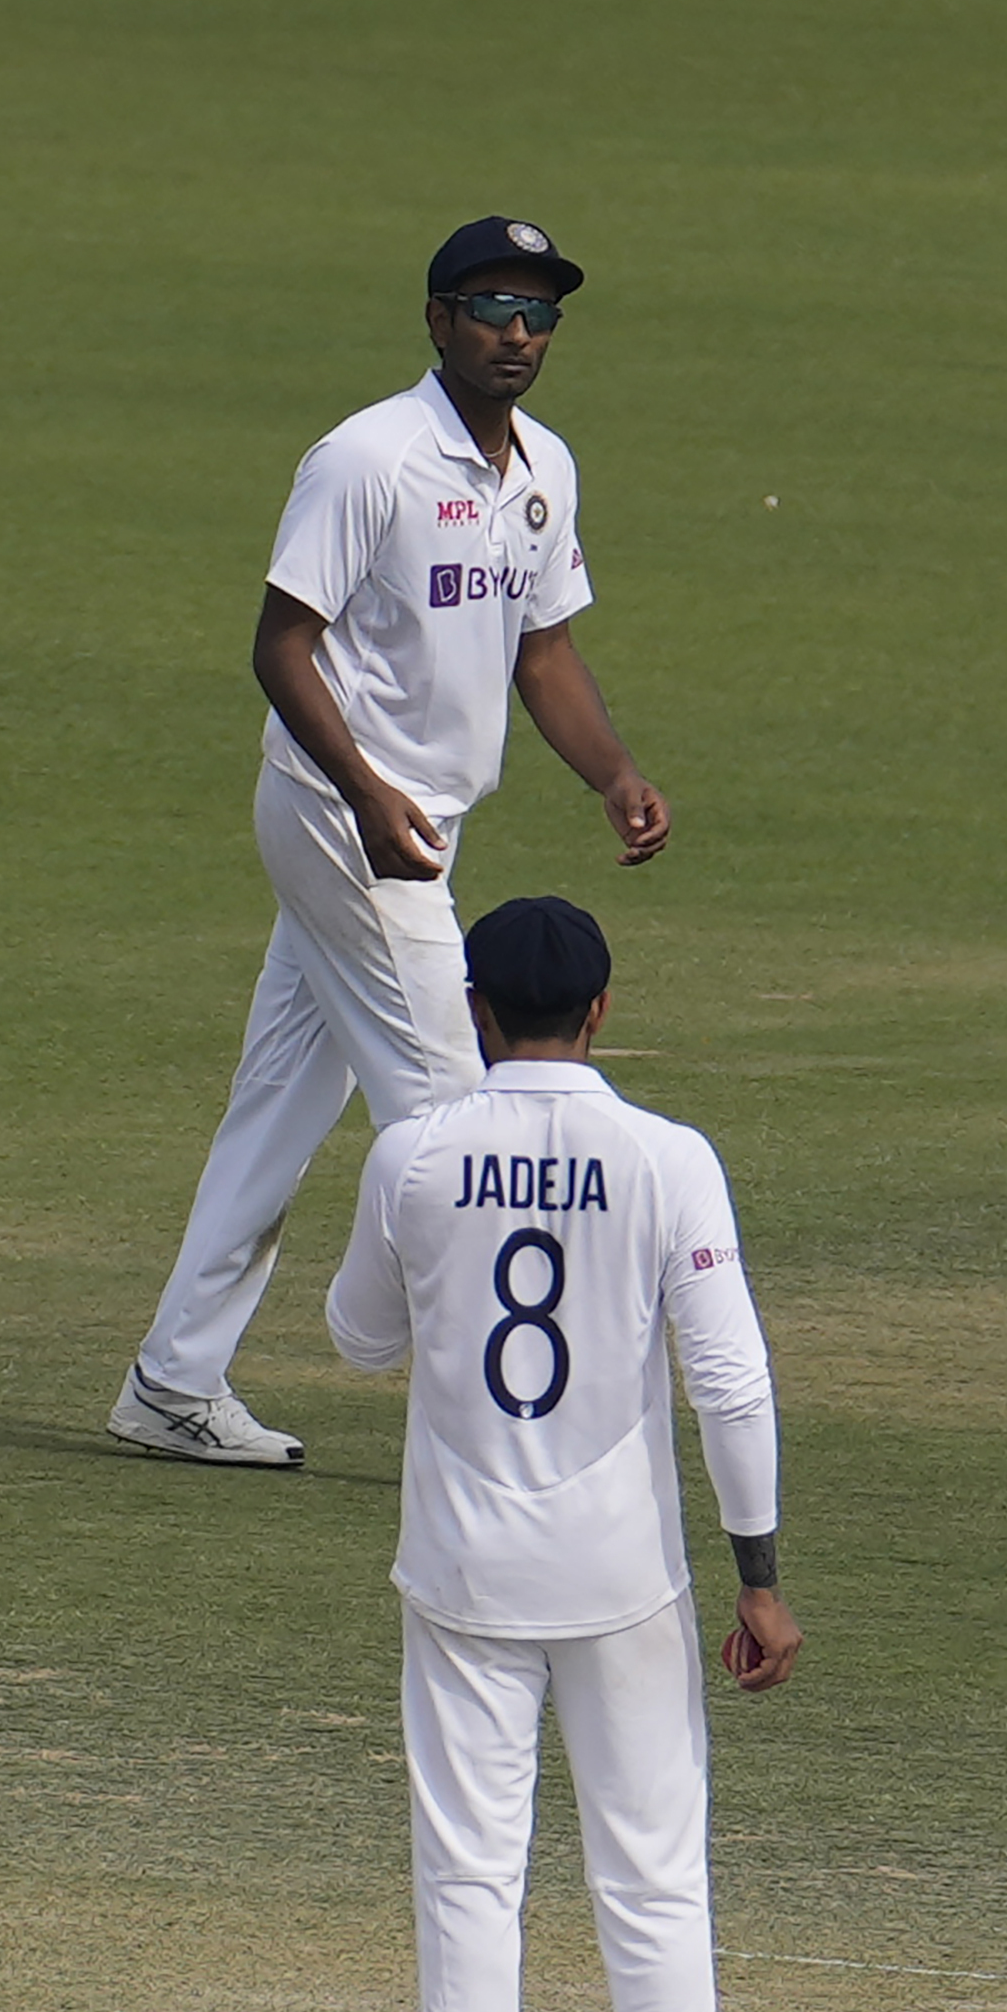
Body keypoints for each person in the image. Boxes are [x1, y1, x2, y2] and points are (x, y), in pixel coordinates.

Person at [113, 218, 672, 1470]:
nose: (517, 334)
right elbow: (279, 644)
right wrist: (363, 789)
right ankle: (504, 1423)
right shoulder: (367, 458)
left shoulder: (545, 469)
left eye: (540, 313)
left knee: (276, 1113)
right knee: (464, 1119)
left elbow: (546, 648)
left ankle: (171, 1380)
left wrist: (614, 772)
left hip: (413, 815)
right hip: (343, 813)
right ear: (437, 320)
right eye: (492, 307)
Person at [324, 896, 800, 2012]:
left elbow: (357, 1338)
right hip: (623, 1574)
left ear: (476, 1008)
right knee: (653, 1878)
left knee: (469, 1871)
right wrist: (758, 1574)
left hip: (464, 1567)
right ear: (600, 1011)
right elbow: (730, 1376)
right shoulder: (667, 1158)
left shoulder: (413, 1153)